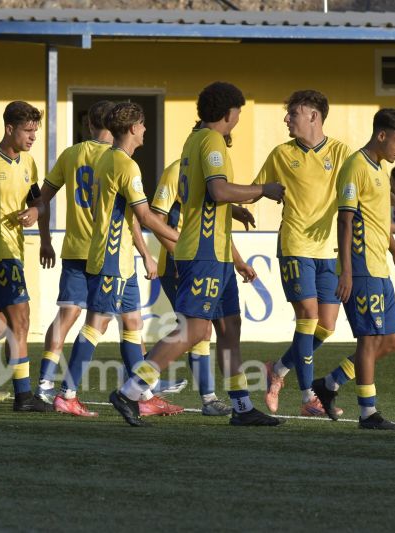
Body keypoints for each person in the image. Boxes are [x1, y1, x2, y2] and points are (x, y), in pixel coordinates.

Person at [109, 82, 286, 427]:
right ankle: (130, 391)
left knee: (229, 326)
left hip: (215, 252)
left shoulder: (194, 141)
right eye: (238, 112)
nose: (238, 118)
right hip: (203, 251)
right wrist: (263, 190)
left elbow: (204, 195)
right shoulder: (212, 141)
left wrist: (233, 211)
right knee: (193, 330)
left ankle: (242, 406)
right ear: (228, 113)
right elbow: (219, 189)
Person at [53, 102, 183, 417]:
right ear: (133, 128)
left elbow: (133, 217)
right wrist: (187, 241)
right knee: (96, 325)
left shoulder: (111, 159)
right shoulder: (125, 165)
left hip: (120, 257)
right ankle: (66, 394)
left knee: (132, 325)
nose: (145, 130)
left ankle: (143, 396)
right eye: (142, 124)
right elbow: (146, 217)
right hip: (111, 257)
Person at [313, 108, 395, 430]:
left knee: (391, 341)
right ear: (381, 135)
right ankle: (368, 413)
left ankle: (328, 384)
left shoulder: (380, 171)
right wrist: (346, 271)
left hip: (379, 266)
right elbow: (345, 219)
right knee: (369, 340)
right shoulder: (355, 166)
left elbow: (379, 221)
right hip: (361, 269)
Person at [254, 90, 352, 417]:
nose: (286, 119)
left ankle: (278, 370)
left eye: (292, 113)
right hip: (295, 246)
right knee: (307, 317)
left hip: (329, 251)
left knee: (326, 326)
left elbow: (359, 192)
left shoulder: (340, 153)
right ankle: (309, 397)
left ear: (313, 115)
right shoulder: (281, 154)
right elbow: (258, 189)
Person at [151, 155, 257, 417]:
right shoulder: (177, 170)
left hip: (209, 262)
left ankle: (223, 401)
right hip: (183, 262)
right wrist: (177, 254)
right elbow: (157, 219)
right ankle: (137, 386)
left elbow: (214, 226)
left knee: (211, 329)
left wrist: (238, 260)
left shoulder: (211, 172)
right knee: (197, 328)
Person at [35, 100, 116, 403]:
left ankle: (44, 384)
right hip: (107, 252)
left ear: (90, 125)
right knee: (109, 318)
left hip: (74, 247)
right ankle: (142, 384)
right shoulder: (118, 157)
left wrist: (45, 239)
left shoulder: (71, 154)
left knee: (66, 314)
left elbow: (41, 200)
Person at [0, 100, 52, 413]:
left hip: (14, 251)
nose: (33, 137)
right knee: (21, 319)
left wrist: (37, 215)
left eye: (35, 131)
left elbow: (40, 202)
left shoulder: (28, 163)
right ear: (10, 129)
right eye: (28, 130)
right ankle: (23, 395)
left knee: (1, 324)